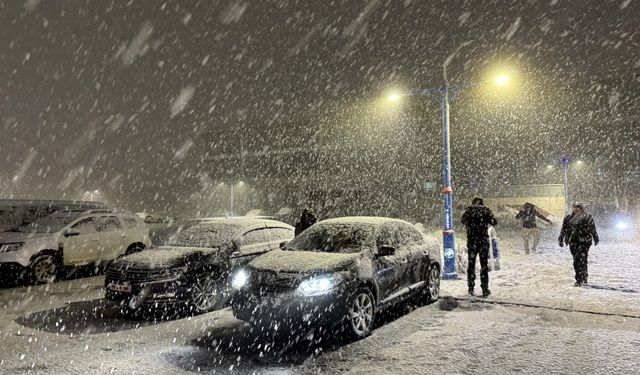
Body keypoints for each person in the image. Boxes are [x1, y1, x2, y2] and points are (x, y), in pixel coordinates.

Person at [461, 197, 498, 297]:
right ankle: (485, 289)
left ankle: (471, 287)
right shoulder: (485, 211)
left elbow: (463, 221)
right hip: (483, 241)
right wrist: (487, 214)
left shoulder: (469, 211)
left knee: (471, 264)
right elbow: (494, 222)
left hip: (472, 241)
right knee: (484, 265)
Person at [558, 202, 599, 286]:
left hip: (584, 241)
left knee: (580, 259)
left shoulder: (587, 217)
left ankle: (580, 279)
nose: (576, 209)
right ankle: (582, 277)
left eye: (578, 207)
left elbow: (592, 228)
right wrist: (561, 239)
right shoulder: (568, 218)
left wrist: (595, 237)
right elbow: (564, 229)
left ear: (581, 208)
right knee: (577, 260)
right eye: (574, 207)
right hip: (572, 242)